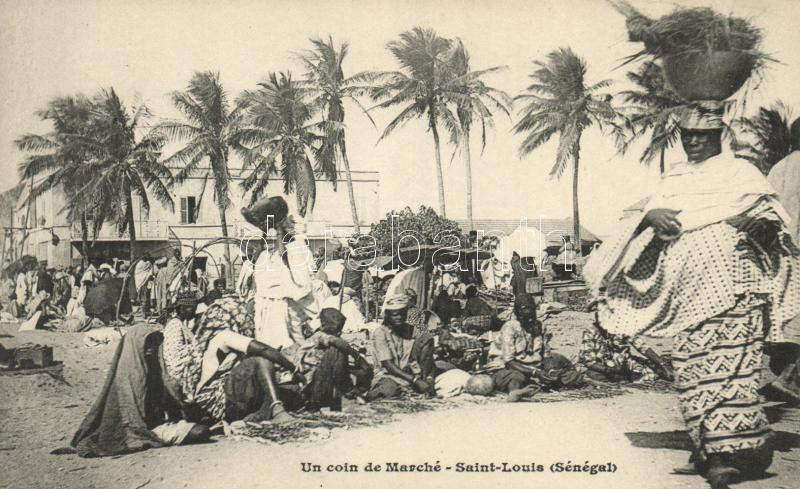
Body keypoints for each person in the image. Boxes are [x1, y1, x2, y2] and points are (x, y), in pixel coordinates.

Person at [584, 106, 800, 488]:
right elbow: (638, 219)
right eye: (687, 135)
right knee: (691, 370)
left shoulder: (742, 174)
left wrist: (760, 227)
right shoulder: (676, 178)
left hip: (737, 292)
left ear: (720, 137)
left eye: (702, 136)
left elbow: (775, 228)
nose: (693, 142)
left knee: (731, 373)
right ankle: (726, 444)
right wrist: (651, 218)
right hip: (686, 297)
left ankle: (719, 457)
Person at [243, 196, 315, 350]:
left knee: (287, 339)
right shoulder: (266, 255)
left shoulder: (294, 248)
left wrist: (280, 230)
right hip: (268, 303)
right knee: (273, 339)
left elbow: (294, 272)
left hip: (282, 303)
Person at [764, 119, 800, 402]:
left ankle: (784, 374)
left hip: (782, 253)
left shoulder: (780, 168)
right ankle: (790, 377)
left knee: (785, 317)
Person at [288, 308, 373, 411]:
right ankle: (349, 394)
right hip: (310, 388)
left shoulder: (323, 340)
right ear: (323, 325)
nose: (338, 333)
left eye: (340, 329)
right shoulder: (319, 336)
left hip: (319, 382)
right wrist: (357, 357)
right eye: (335, 329)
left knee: (355, 369)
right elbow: (336, 342)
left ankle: (351, 394)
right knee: (338, 350)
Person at [366, 293, 436, 400]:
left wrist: (428, 379)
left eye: (402, 314)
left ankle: (424, 380)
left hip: (409, 371)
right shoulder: (380, 332)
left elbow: (426, 342)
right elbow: (388, 365)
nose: (399, 317)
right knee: (390, 390)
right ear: (387, 315)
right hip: (388, 375)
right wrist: (414, 381)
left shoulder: (409, 329)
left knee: (426, 338)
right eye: (395, 315)